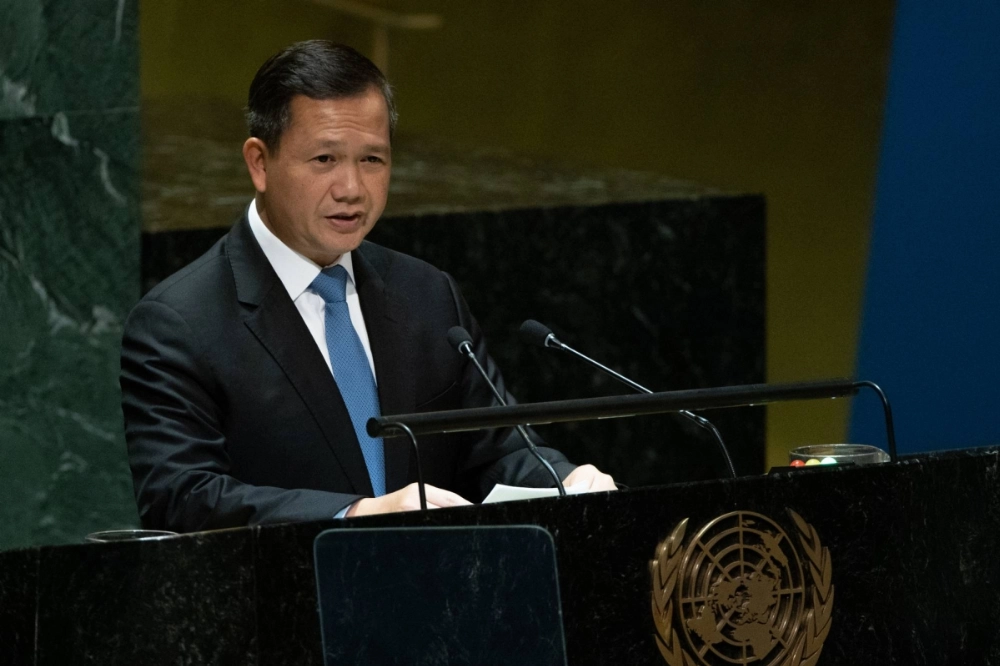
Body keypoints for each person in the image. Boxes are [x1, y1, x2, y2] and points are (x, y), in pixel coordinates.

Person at [120, 40, 615, 533]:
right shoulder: (181, 322)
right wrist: (354, 515)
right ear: (259, 163)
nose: (352, 188)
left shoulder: (427, 294)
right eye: (324, 160)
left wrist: (563, 479)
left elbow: (496, 447)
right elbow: (182, 496)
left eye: (372, 160)